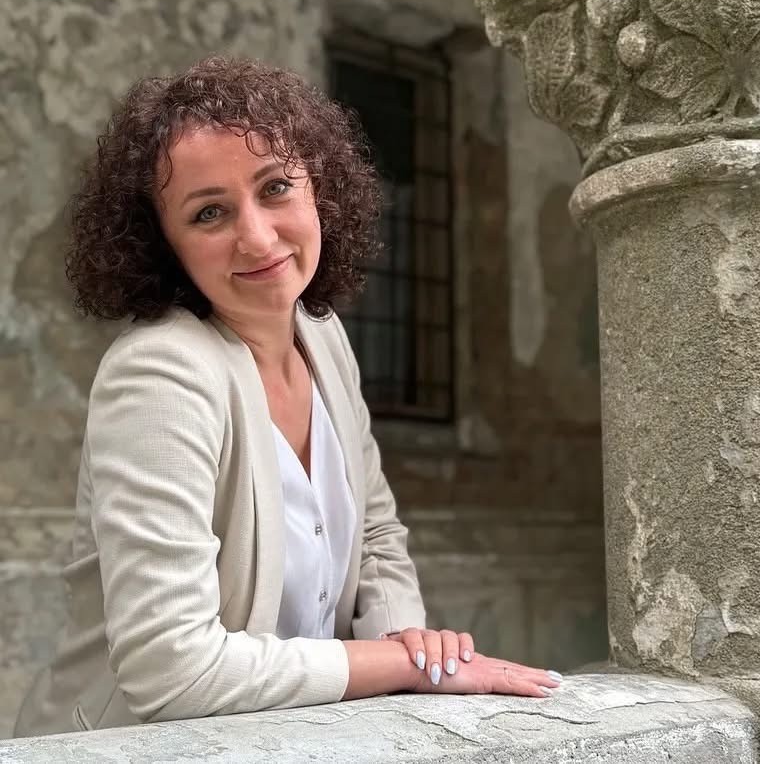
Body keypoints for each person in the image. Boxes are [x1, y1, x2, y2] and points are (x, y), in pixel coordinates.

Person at [14, 56, 563, 737]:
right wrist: (396, 666)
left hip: (288, 733)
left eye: (275, 187)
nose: (256, 235)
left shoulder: (322, 335)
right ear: (164, 246)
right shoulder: (158, 374)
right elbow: (170, 669)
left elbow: (377, 535)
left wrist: (408, 644)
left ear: (319, 190)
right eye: (209, 212)